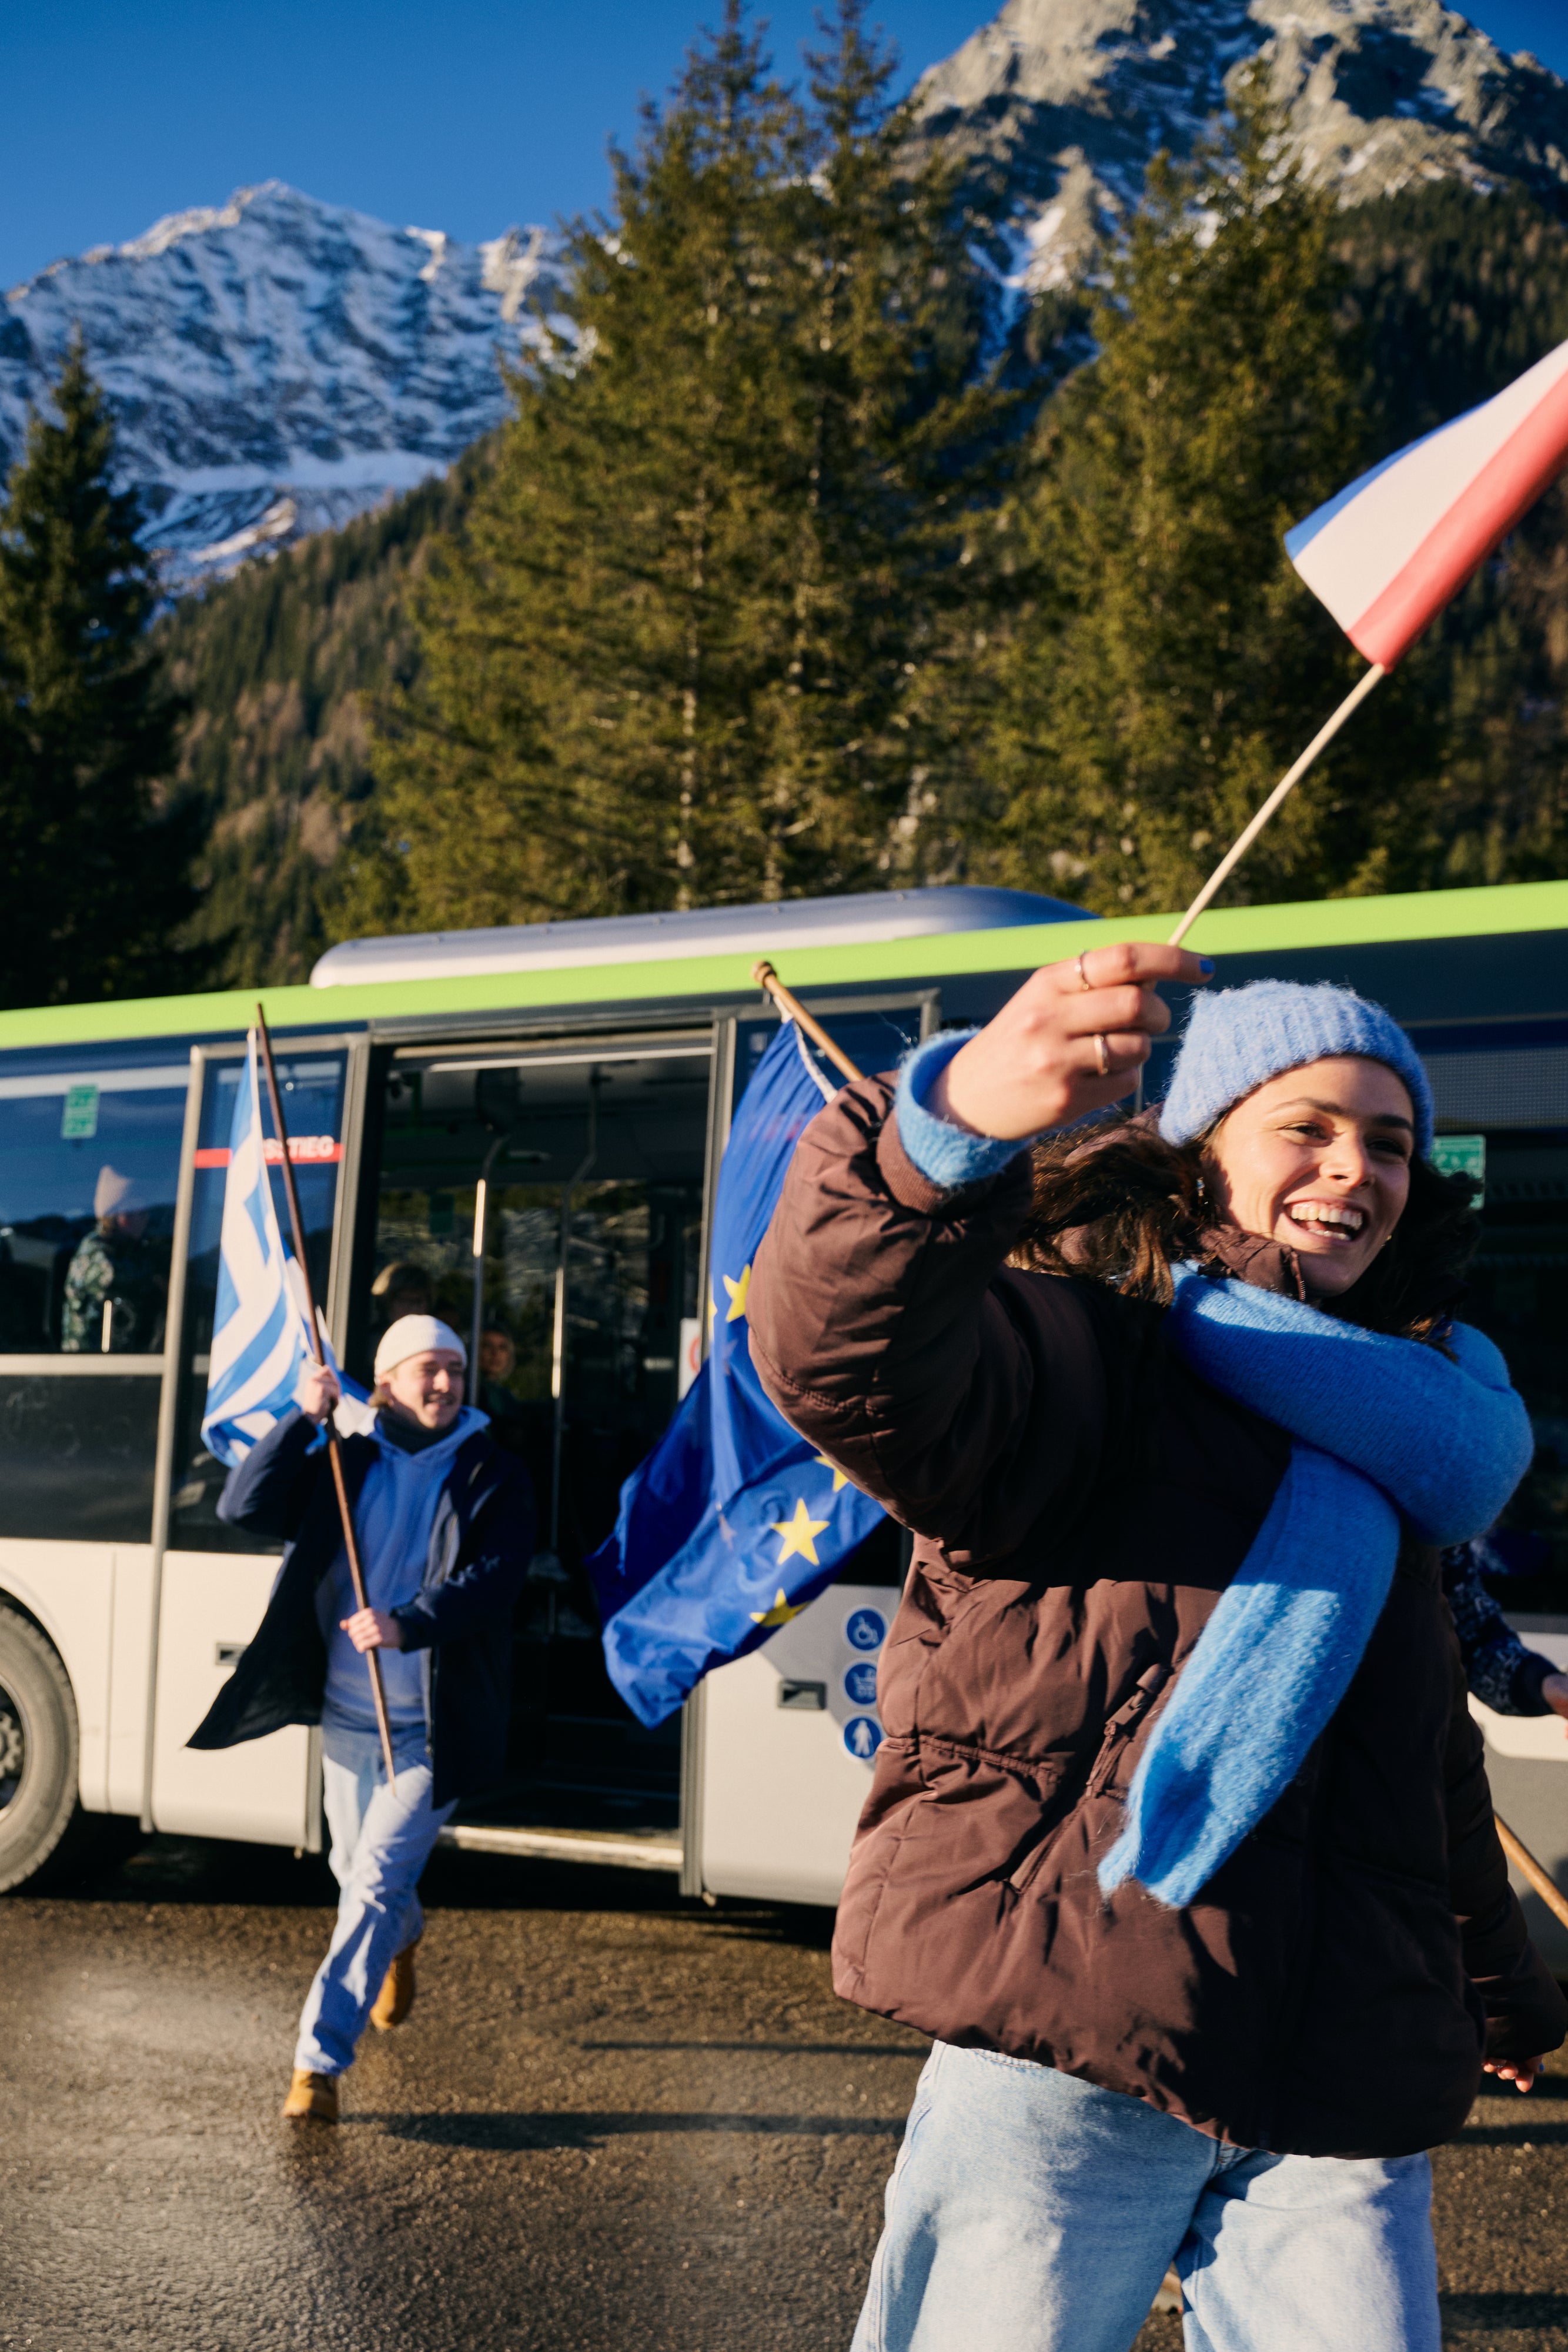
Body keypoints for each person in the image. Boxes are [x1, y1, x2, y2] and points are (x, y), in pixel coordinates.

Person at [745, 946, 1568, 2352]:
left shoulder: (1413, 1433)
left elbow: (1422, 1771)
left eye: (1387, 1141)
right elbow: (840, 1356)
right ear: (1200, 1151)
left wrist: (1500, 1986)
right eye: (1302, 1126)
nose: (1352, 1168)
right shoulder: (1089, 1349)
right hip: (1072, 2039)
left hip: (1343, 2075)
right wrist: (941, 1126)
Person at [188, 1315, 533, 2123]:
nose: (446, 1382)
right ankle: (402, 1935)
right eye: (427, 1370)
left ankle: (317, 2063)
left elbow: (498, 1576)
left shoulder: (493, 1469)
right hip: (348, 1715)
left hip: (433, 1730)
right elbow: (245, 1506)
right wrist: (298, 1420)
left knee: (372, 1881)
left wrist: (410, 1621)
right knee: (360, 1881)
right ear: (386, 1382)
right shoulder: (345, 1457)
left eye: (454, 1368)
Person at [61, 1165, 168, 1351]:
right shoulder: (94, 1251)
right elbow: (115, 1278)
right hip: (87, 1362)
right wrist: (161, 1282)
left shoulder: (129, 1249)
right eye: (140, 1212)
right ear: (122, 1215)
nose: (146, 1219)